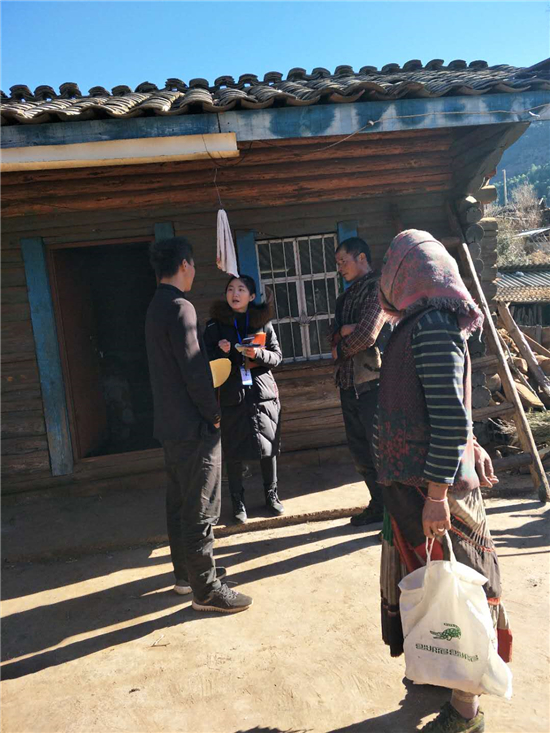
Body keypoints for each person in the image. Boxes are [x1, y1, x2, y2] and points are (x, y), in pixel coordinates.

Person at [374, 229, 512, 733]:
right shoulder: (420, 323)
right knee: (434, 588)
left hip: (432, 491)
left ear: (406, 274)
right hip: (414, 487)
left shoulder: (431, 325)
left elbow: (449, 418)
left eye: (389, 269)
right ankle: (443, 669)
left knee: (461, 589)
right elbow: (450, 405)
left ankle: (465, 709)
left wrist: (436, 495)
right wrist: (471, 443)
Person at [145, 237, 252, 614]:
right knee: (201, 508)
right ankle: (205, 590)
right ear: (184, 265)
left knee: (179, 503)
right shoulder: (181, 307)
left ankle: (185, 575)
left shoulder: (155, 307)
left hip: (170, 425)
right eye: (192, 265)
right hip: (193, 426)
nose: (193, 272)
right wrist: (214, 414)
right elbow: (194, 372)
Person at [204, 275, 283, 524]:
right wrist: (219, 351)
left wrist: (258, 354)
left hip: (261, 393)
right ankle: (237, 501)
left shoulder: (262, 323)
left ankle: (271, 495)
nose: (234, 293)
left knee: (268, 446)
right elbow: (204, 360)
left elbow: (277, 356)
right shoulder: (214, 326)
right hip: (231, 394)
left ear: (251, 296)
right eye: (230, 289)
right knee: (233, 449)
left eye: (241, 289)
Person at [332, 237, 388, 526]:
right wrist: (344, 330)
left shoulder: (378, 288)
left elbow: (368, 335)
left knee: (381, 450)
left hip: (374, 381)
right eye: (338, 263)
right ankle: (378, 505)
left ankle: (394, 514)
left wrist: (342, 345)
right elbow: (331, 337)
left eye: (344, 261)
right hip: (347, 383)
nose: (340, 267)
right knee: (360, 452)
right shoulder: (344, 299)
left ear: (362, 258)